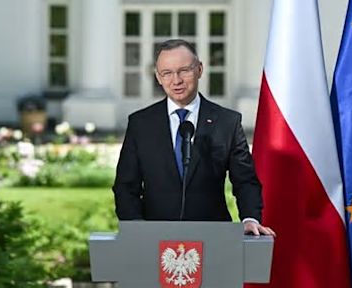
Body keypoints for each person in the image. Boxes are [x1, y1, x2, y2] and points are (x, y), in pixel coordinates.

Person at [113, 39, 275, 236]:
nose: (176, 80)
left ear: (199, 69)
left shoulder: (227, 122)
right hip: (155, 240)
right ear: (158, 77)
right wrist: (137, 228)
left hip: (213, 238)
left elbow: (245, 181)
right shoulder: (141, 124)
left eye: (184, 71)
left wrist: (250, 218)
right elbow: (125, 186)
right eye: (167, 73)